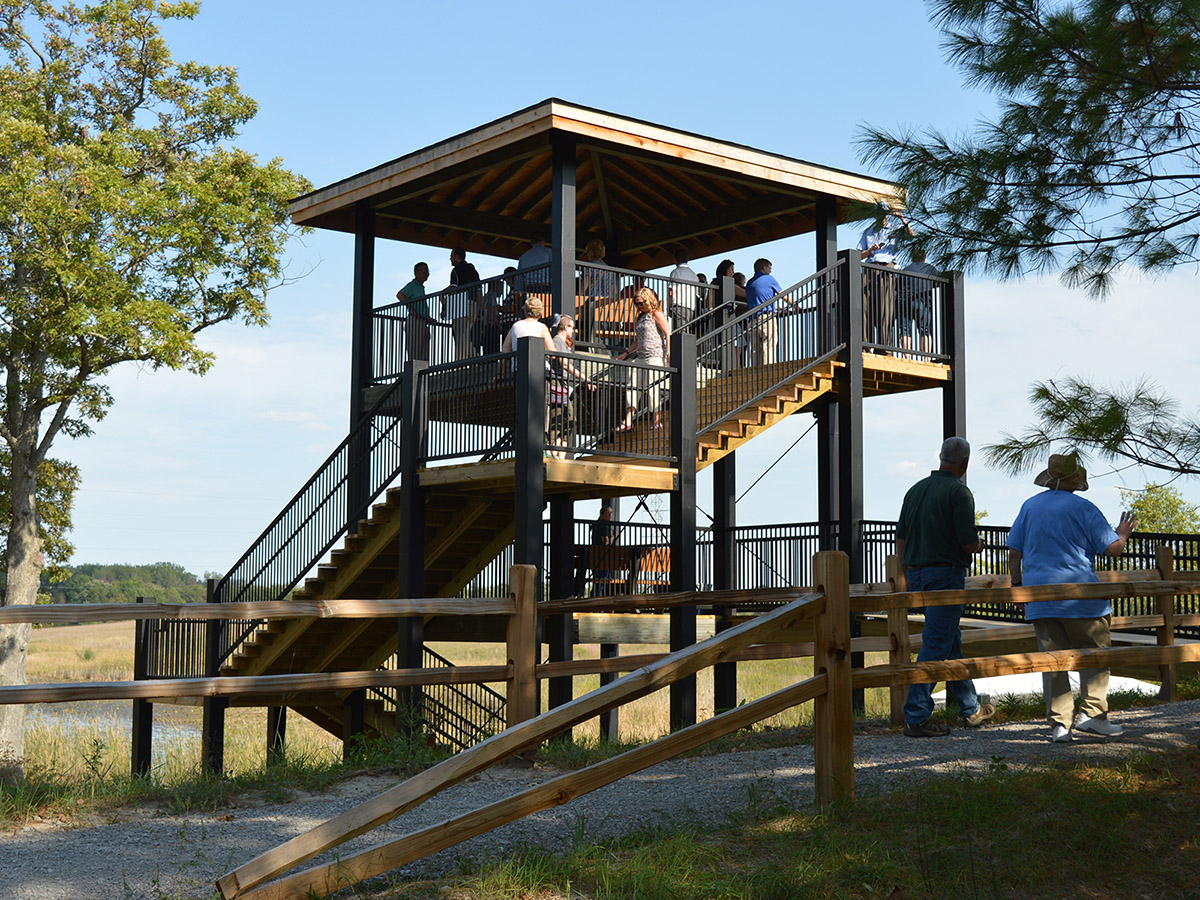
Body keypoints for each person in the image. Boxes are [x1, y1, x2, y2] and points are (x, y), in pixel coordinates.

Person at [1006, 454, 1136, 743]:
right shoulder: (1083, 507)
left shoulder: (1030, 506)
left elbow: (1014, 553)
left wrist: (1018, 586)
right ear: (1076, 480)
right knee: (1095, 653)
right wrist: (1123, 534)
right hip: (1082, 597)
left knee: (1053, 661)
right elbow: (1112, 549)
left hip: (1039, 597)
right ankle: (1093, 715)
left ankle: (1060, 725)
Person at [896, 436, 996, 737]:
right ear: (965, 463)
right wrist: (978, 544)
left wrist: (906, 575)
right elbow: (966, 542)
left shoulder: (915, 490)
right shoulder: (958, 492)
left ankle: (969, 708)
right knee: (936, 645)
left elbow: (901, 539)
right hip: (946, 576)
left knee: (949, 640)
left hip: (916, 573)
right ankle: (915, 717)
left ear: (940, 456)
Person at [858, 202, 913, 353]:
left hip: (886, 269)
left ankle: (885, 347)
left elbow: (911, 236)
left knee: (885, 309)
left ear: (887, 215)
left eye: (884, 214)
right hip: (870, 269)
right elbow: (858, 255)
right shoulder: (868, 232)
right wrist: (870, 250)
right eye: (879, 214)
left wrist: (902, 218)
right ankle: (865, 345)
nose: (882, 217)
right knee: (865, 307)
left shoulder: (895, 230)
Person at [615, 286, 670, 431]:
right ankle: (627, 420)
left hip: (654, 356)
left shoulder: (656, 313)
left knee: (653, 388)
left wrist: (668, 353)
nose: (640, 306)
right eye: (637, 303)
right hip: (641, 356)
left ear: (649, 299)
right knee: (632, 386)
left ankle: (657, 420)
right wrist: (626, 352)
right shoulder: (640, 317)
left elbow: (667, 333)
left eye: (642, 303)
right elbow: (637, 340)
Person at [547, 314, 595, 458]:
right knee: (561, 415)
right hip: (558, 381)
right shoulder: (558, 342)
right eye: (572, 327)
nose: (573, 330)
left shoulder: (563, 343)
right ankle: (554, 450)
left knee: (568, 417)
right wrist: (585, 378)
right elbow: (565, 364)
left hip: (564, 383)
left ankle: (560, 451)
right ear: (565, 327)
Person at [899, 248, 938, 358]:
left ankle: (907, 357)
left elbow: (898, 286)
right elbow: (938, 281)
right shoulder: (930, 269)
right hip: (923, 302)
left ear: (912, 258)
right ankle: (926, 358)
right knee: (925, 330)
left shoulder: (906, 269)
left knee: (905, 330)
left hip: (905, 302)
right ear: (924, 258)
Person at [443, 247, 481, 360]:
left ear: (457, 256)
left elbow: (453, 290)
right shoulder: (473, 271)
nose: (450, 258)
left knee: (460, 335)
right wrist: (480, 308)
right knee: (467, 334)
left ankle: (461, 362)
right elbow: (479, 291)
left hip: (460, 303)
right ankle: (474, 356)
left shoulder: (456, 270)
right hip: (473, 304)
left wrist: (445, 307)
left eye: (452, 255)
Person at [745, 258, 781, 366]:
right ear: (764, 268)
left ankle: (755, 371)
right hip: (766, 318)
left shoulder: (750, 283)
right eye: (770, 268)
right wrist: (796, 305)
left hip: (752, 319)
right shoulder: (768, 279)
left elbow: (758, 299)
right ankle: (767, 370)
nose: (770, 271)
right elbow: (782, 294)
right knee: (768, 344)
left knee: (755, 348)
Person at [396, 261, 432, 362]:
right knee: (415, 353)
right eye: (424, 271)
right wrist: (412, 310)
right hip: (415, 322)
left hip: (422, 322)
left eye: (428, 271)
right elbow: (400, 295)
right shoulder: (413, 285)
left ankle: (422, 375)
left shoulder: (420, 287)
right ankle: (414, 375)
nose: (427, 274)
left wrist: (428, 318)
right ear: (416, 272)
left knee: (423, 354)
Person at [667, 248, 701, 330]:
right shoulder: (694, 275)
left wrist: (668, 307)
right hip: (690, 308)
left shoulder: (675, 272)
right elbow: (696, 295)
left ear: (675, 260)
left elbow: (672, 292)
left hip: (679, 307)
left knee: (679, 333)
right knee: (686, 331)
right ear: (688, 259)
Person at [590, 505, 618, 595]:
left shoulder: (597, 525)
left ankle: (593, 600)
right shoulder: (604, 526)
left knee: (598, 581)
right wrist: (614, 536)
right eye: (607, 513)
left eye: (611, 513)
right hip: (602, 558)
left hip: (594, 556)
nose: (610, 515)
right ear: (602, 515)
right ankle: (594, 600)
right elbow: (605, 542)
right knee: (601, 581)